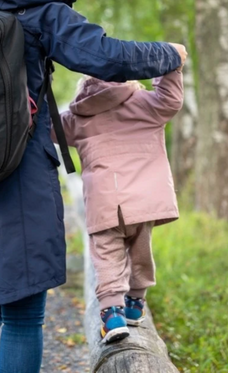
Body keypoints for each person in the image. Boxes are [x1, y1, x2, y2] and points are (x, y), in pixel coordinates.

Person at [0, 0, 187, 373]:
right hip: (17, 177)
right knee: (22, 314)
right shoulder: (41, 9)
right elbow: (107, 57)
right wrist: (170, 54)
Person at [55, 70, 184, 343]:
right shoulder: (145, 104)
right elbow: (171, 100)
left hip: (104, 202)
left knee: (107, 257)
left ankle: (112, 315)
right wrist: (169, 66)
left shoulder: (79, 117)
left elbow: (47, 126)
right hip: (144, 200)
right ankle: (135, 304)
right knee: (141, 250)